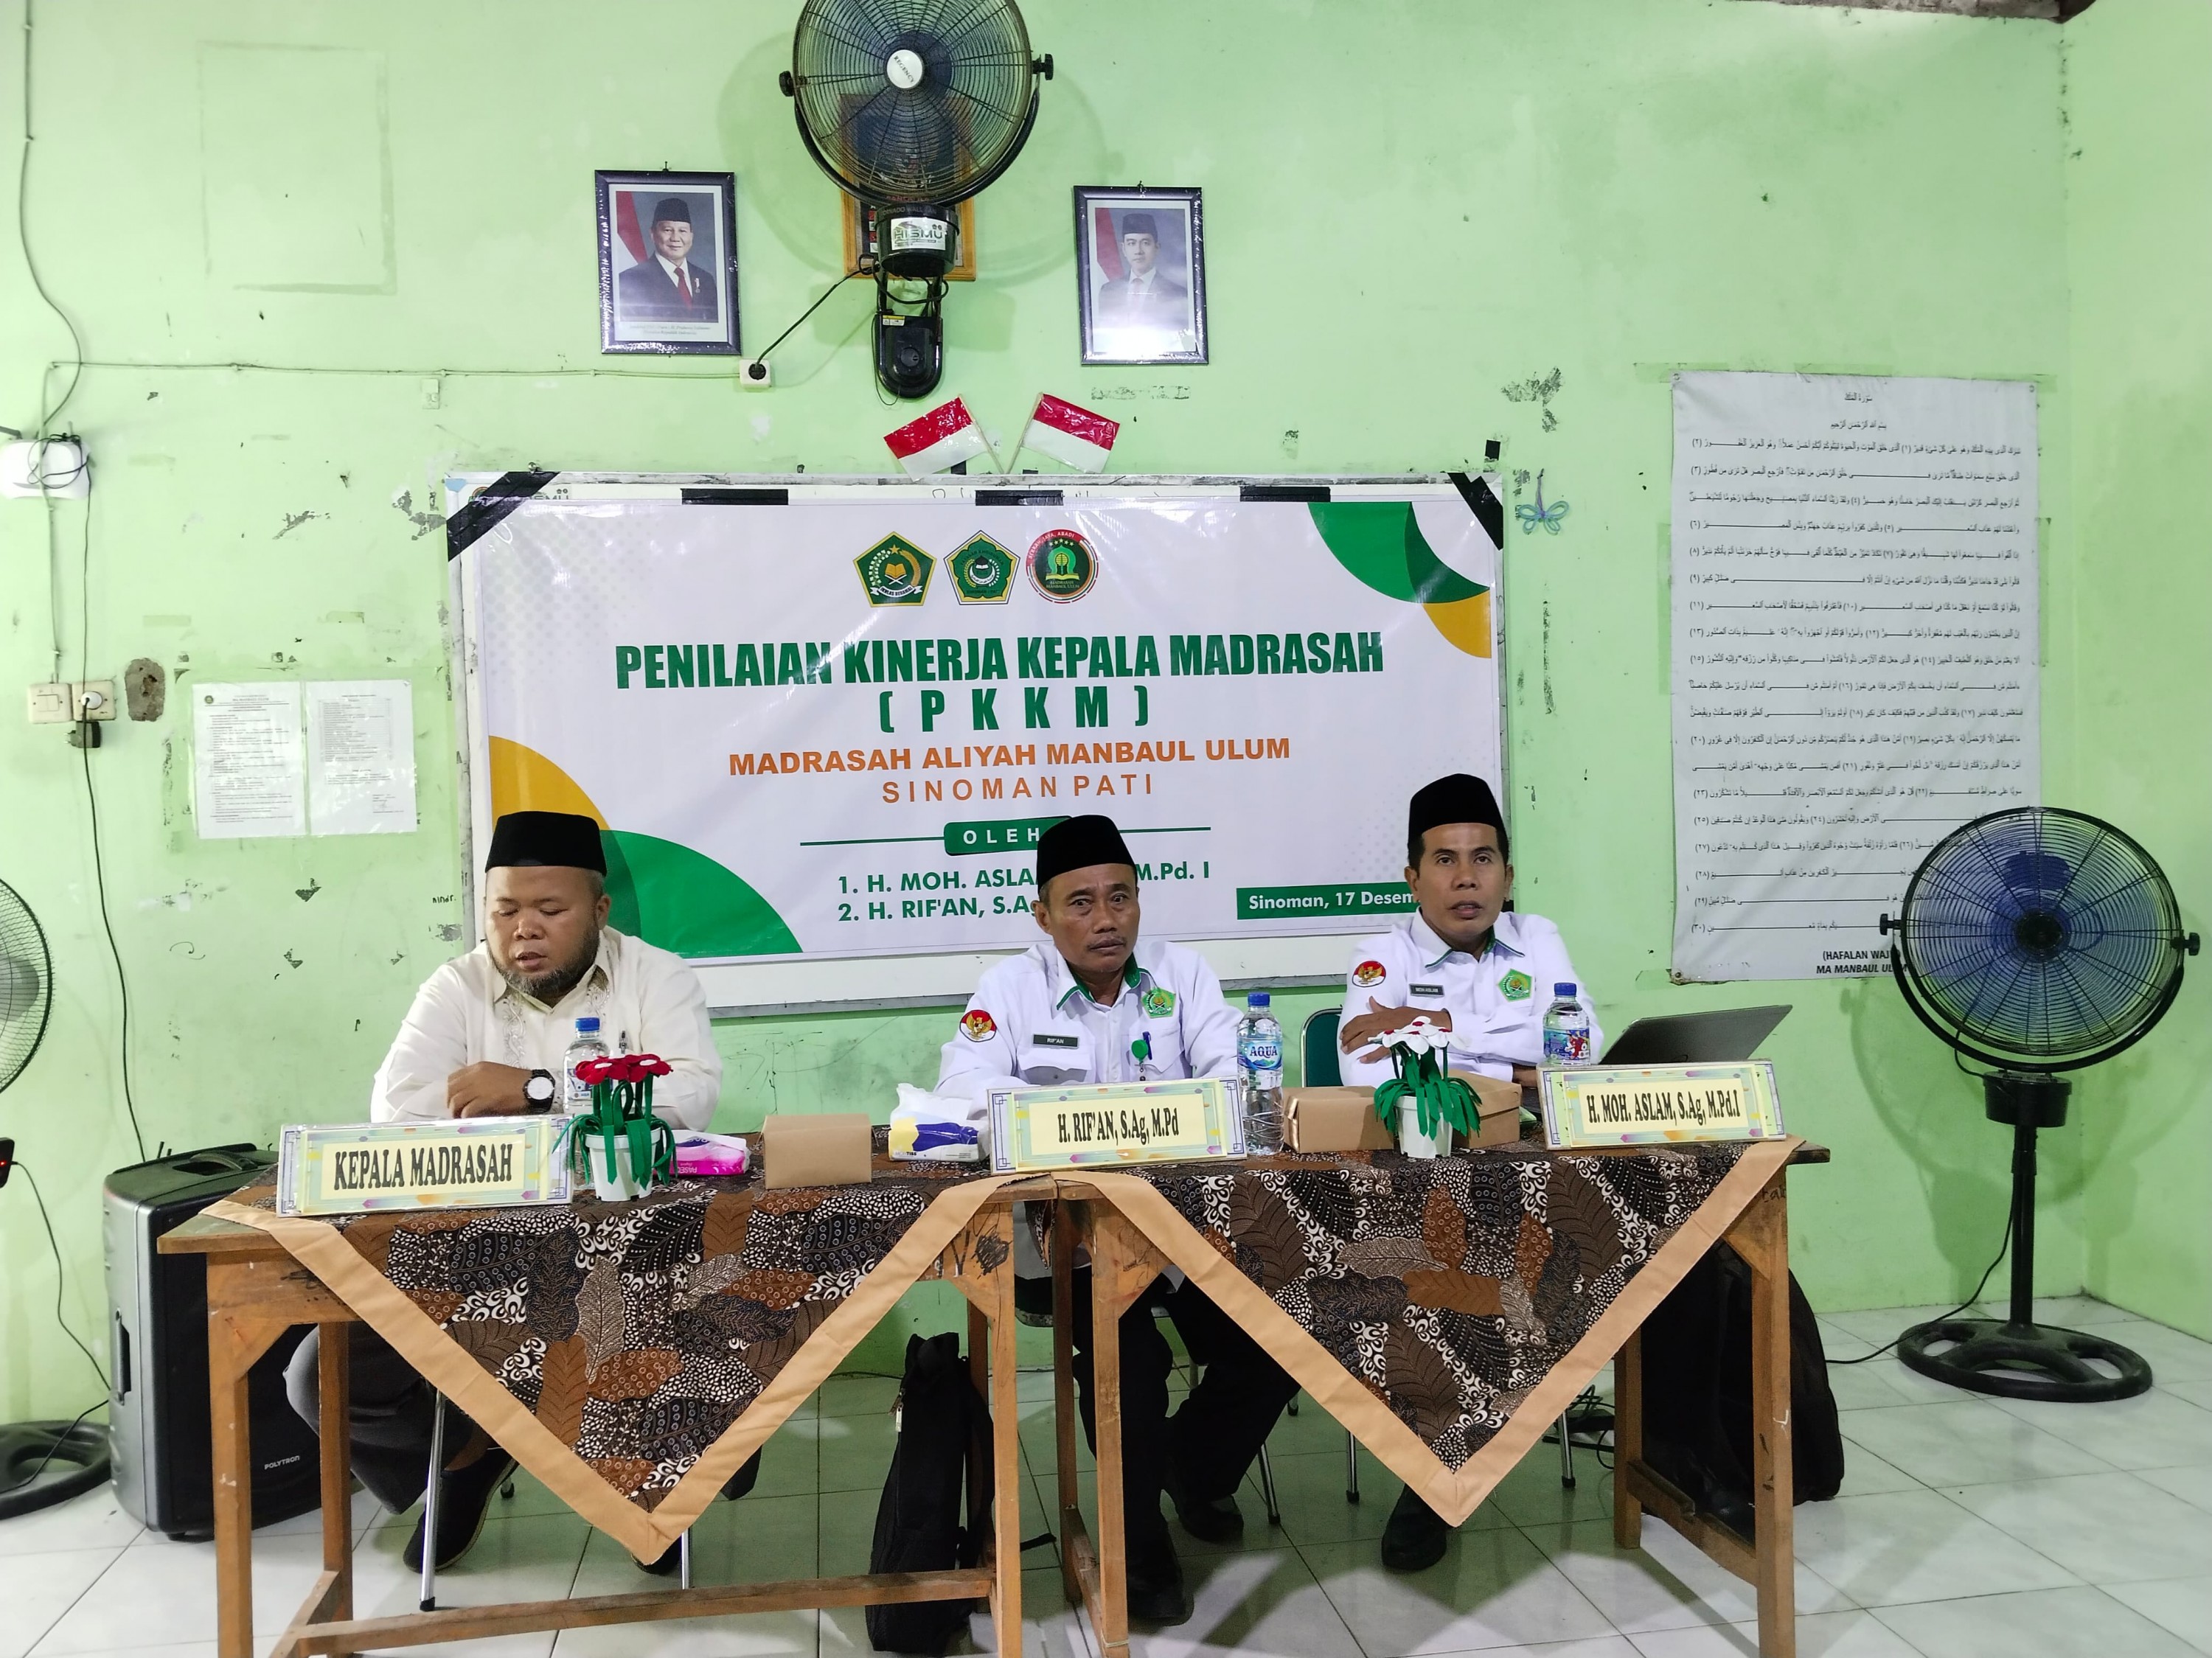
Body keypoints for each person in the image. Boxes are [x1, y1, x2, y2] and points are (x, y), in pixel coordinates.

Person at [285, 809, 742, 1574]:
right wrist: (578, 1107)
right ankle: (471, 1451)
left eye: (550, 909)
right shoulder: (456, 985)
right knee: (323, 1378)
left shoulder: (655, 975)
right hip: (473, 1257)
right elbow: (395, 1108)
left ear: (599, 910)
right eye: (505, 911)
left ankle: (651, 1484)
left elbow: (690, 1095)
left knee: (707, 1327)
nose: (524, 929)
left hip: (630, 1252)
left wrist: (537, 1089)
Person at [937, 815, 1298, 1624]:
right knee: (1129, 1367)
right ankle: (1139, 1541)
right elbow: (962, 1088)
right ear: (1042, 914)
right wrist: (1083, 1119)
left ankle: (1189, 1471)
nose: (1106, 919)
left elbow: (1237, 1075)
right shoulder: (1009, 989)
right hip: (1071, 1243)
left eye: (1120, 897)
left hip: (1188, 1234)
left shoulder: (1183, 975)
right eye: (1081, 903)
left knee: (1280, 1339)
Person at [1338, 773, 1599, 1572]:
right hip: (1424, 1178)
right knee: (1455, 1267)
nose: (1466, 878)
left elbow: (1582, 1049)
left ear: (1508, 875)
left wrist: (1442, 1039)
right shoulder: (1383, 955)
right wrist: (1519, 1068)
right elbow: (1363, 1067)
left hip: (1533, 1169)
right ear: (1412, 877)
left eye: (1483, 859)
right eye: (1444, 860)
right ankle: (1431, 1480)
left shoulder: (1538, 936)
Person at [616, 196, 718, 321]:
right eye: (668, 230)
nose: (675, 238)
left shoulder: (706, 279)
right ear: (653, 234)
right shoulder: (630, 280)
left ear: (691, 236)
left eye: (683, 231)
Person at [1095, 211, 1189, 328]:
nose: (1138, 251)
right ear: (1124, 249)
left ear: (1157, 247)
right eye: (1131, 243)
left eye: (1145, 243)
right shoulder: (1108, 291)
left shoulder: (1177, 294)